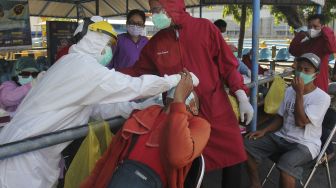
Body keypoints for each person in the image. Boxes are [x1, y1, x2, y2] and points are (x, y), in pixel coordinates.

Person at [0, 21, 199, 188]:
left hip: (34, 151)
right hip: (22, 154)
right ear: (95, 40)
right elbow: (133, 86)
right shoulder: (81, 66)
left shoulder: (73, 65)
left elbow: (99, 107)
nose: (108, 52)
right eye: (107, 45)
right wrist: (175, 81)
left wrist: (142, 108)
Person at [119, 0, 254, 187]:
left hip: (216, 109)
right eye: (152, 11)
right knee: (184, 165)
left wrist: (241, 95)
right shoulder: (157, 43)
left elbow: (228, 65)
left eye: (157, 10)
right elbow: (138, 72)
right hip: (180, 113)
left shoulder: (205, 29)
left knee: (234, 155)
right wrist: (106, 76)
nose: (154, 15)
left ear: (171, 6)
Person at [81, 70, 211, 188]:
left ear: (195, 108)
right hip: (118, 177)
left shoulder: (199, 125)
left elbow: (177, 157)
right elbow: (108, 159)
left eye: (185, 91)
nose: (179, 90)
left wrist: (179, 102)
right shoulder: (146, 113)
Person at [244, 53, 330, 188]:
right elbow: (280, 117)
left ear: (316, 75)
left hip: (305, 144)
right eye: (299, 69)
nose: (301, 73)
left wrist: (299, 94)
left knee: (286, 165)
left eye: (307, 70)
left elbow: (300, 122)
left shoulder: (322, 98)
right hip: (282, 137)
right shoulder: (290, 90)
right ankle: (255, 184)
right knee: (247, 144)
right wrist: (264, 130)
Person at [289, 14, 336, 92]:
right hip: (302, 82)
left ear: (322, 27)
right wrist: (300, 35)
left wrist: (325, 30)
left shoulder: (324, 42)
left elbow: (332, 48)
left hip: (319, 83)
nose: (312, 29)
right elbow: (293, 50)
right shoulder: (306, 42)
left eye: (315, 26)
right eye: (309, 27)